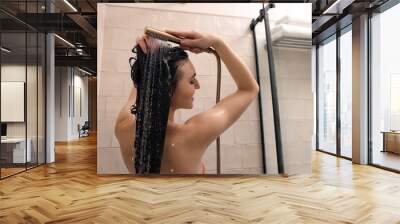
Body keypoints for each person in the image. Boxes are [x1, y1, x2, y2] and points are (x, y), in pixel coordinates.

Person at [114, 30, 259, 174]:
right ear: (168, 89)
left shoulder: (123, 125)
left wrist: (148, 58)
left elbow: (143, 84)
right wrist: (217, 42)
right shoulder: (193, 134)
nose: (197, 85)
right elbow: (249, 89)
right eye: (191, 80)